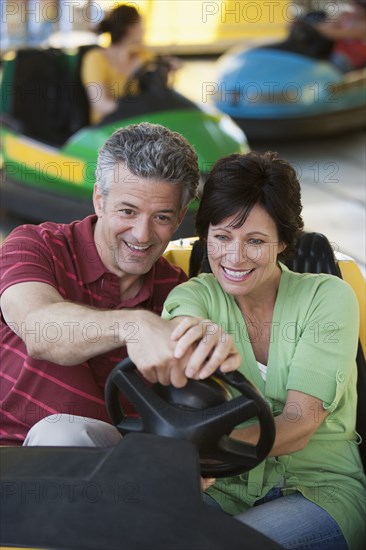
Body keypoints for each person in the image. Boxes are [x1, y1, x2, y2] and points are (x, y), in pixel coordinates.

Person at [162, 151, 366, 549]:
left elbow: (299, 423)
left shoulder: (327, 297)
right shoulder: (192, 297)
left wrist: (207, 458)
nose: (234, 258)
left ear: (284, 241)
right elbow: (183, 330)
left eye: (255, 241)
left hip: (315, 489)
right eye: (222, 238)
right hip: (222, 491)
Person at [0, 122, 241, 448]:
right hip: (13, 461)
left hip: (111, 475)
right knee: (64, 433)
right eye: (128, 211)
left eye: (161, 217)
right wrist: (135, 326)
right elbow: (39, 329)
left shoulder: (178, 293)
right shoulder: (36, 246)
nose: (141, 235)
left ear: (181, 215)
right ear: (99, 200)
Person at [80, 4, 179, 124]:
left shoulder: (143, 56)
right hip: (108, 125)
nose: (144, 31)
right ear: (130, 29)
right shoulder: (95, 58)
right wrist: (139, 108)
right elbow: (101, 105)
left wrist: (166, 69)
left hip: (139, 123)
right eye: (141, 26)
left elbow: (156, 90)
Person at [314, 0, 366, 71]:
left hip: (352, 62)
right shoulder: (345, 15)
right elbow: (324, 27)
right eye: (358, 3)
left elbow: (335, 34)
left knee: (336, 61)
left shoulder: (363, 25)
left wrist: (324, 30)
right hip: (336, 55)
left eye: (363, 5)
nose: (359, 8)